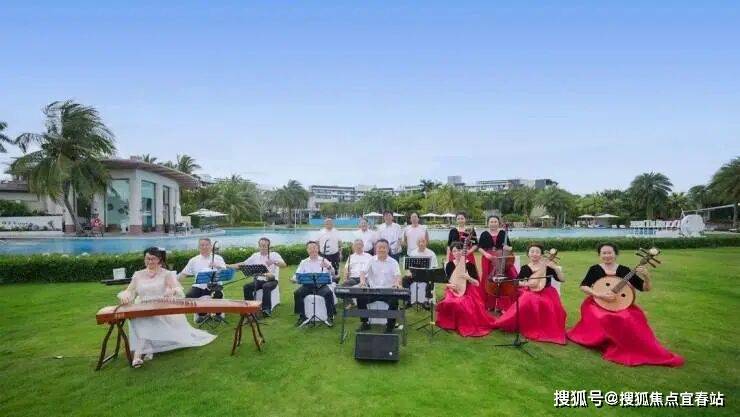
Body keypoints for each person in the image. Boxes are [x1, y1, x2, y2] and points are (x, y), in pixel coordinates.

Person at [567, 243, 684, 367]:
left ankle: (629, 346)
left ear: (615, 254)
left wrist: (647, 277)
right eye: (604, 253)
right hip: (597, 303)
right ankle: (601, 340)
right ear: (599, 255)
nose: (607, 255)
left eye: (610, 252)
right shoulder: (595, 269)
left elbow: (645, 288)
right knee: (602, 316)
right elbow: (584, 286)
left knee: (628, 317)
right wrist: (599, 295)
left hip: (620, 304)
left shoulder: (625, 270)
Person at [117, 247, 216, 368]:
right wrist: (125, 296)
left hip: (161, 306)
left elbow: (177, 288)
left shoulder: (166, 274)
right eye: (147, 259)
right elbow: (130, 291)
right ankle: (141, 353)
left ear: (159, 259)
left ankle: (138, 355)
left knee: (147, 320)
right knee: (141, 318)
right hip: (143, 306)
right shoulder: (138, 275)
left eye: (153, 259)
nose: (150, 261)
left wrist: (172, 291)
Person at [493, 244, 567, 344]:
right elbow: (516, 282)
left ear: (541, 254)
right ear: (528, 254)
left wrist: (556, 269)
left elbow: (562, 279)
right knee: (527, 300)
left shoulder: (548, 266)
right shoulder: (525, 268)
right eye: (532, 251)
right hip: (531, 291)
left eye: (537, 252)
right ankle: (513, 323)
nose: (534, 254)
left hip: (547, 292)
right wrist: (526, 284)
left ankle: (542, 326)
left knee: (547, 304)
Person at [435, 242, 497, 337]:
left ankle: (463, 325)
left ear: (463, 251)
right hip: (453, 290)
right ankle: (450, 324)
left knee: (462, 303)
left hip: (468, 290)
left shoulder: (470, 265)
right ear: (452, 253)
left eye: (459, 250)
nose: (457, 253)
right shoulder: (449, 265)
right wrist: (450, 286)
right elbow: (447, 282)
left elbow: (477, 283)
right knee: (448, 302)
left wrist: (468, 278)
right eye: (454, 251)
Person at [228, 237, 286, 317]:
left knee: (266, 286)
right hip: (259, 280)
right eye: (261, 245)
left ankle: (266, 310)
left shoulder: (274, 255)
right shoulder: (255, 255)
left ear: (268, 246)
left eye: (264, 246)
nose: (262, 248)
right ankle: (250, 308)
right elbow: (244, 263)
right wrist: (229, 265)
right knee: (247, 287)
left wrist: (274, 261)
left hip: (272, 280)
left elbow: (284, 265)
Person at [358, 239, 403, 333]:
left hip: (388, 291)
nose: (381, 249)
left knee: (394, 302)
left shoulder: (393, 262)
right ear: (376, 249)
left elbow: (398, 276)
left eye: (384, 247)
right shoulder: (371, 260)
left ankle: (390, 326)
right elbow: (362, 272)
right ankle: (365, 323)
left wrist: (397, 283)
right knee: (361, 297)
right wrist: (362, 282)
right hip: (373, 291)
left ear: (388, 249)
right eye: (379, 247)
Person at [178, 238, 227, 323]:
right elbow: (183, 274)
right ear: (199, 247)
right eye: (202, 245)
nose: (204, 247)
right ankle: (202, 314)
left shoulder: (218, 258)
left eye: (207, 245)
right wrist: (172, 280)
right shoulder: (193, 260)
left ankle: (218, 314)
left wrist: (217, 266)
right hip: (199, 286)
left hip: (214, 285)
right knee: (189, 296)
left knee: (218, 294)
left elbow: (225, 272)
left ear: (211, 246)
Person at [477, 215, 518, 311]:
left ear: (498, 223)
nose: (493, 223)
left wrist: (507, 248)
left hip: (501, 258)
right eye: (491, 222)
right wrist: (486, 255)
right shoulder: (484, 234)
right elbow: (480, 247)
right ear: (488, 223)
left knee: (505, 279)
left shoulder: (503, 233)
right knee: (489, 280)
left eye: (495, 222)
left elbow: (510, 247)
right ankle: (489, 304)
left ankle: (503, 305)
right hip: (488, 259)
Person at [292, 241, 336, 326]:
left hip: (321, 285)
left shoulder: (324, 260)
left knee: (328, 293)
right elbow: (297, 274)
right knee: (297, 293)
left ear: (318, 249)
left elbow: (333, 273)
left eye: (314, 247)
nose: (313, 250)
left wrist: (328, 266)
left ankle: (330, 316)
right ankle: (302, 316)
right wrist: (293, 279)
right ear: (307, 250)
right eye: (310, 248)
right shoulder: (304, 262)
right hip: (308, 285)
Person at [401, 236, 438, 306]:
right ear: (417, 243)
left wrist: (430, 273)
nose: (421, 243)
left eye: (423, 241)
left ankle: (427, 301)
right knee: (405, 279)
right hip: (414, 275)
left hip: (426, 275)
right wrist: (409, 272)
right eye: (419, 242)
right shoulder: (413, 253)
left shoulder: (431, 253)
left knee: (431, 280)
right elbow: (409, 267)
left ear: (426, 242)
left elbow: (434, 267)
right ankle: (408, 300)